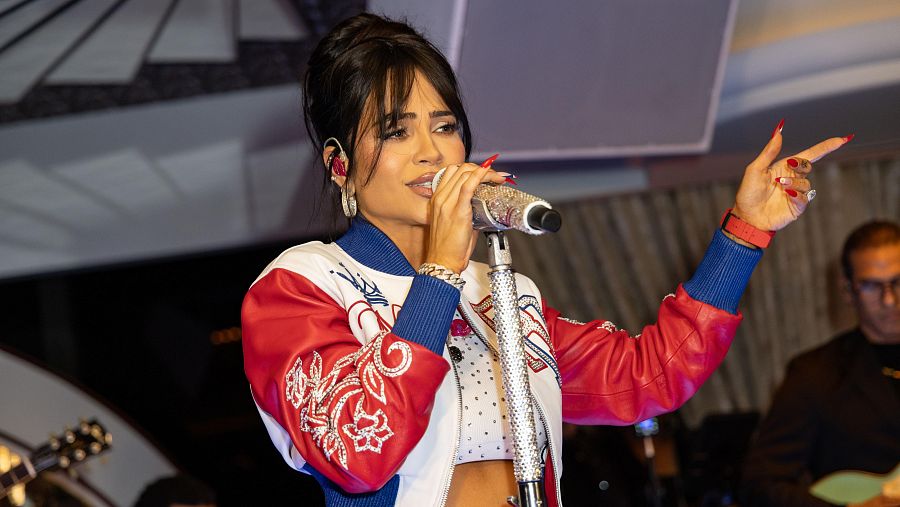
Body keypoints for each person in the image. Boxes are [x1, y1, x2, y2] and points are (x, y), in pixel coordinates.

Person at [241, 13, 847, 506]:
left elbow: (648, 377)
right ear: (339, 163)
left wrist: (743, 234)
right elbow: (357, 454)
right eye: (396, 132)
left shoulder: (503, 292)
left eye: (445, 126)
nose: (432, 152)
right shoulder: (300, 288)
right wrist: (440, 275)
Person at [741, 221, 900, 507]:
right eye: (871, 286)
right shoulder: (813, 375)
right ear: (848, 291)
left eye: (899, 281)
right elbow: (760, 485)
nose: (890, 300)